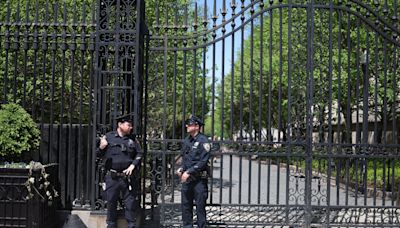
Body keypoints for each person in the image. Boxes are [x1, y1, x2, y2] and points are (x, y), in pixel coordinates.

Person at [97, 113, 143, 228]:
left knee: (130, 204)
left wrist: (133, 165)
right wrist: (102, 147)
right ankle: (111, 225)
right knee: (111, 203)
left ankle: (131, 225)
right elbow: (97, 154)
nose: (131, 127)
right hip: (112, 177)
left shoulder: (133, 139)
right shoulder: (109, 137)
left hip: (127, 178)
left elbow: (139, 153)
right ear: (120, 124)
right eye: (128, 125)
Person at [176, 115, 211, 228]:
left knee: (200, 208)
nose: (187, 126)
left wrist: (189, 171)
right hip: (187, 180)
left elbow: (203, 161)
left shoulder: (203, 141)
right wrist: (182, 168)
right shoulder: (187, 140)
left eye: (189, 124)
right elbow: (185, 158)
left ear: (197, 126)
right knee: (186, 207)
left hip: (199, 180)